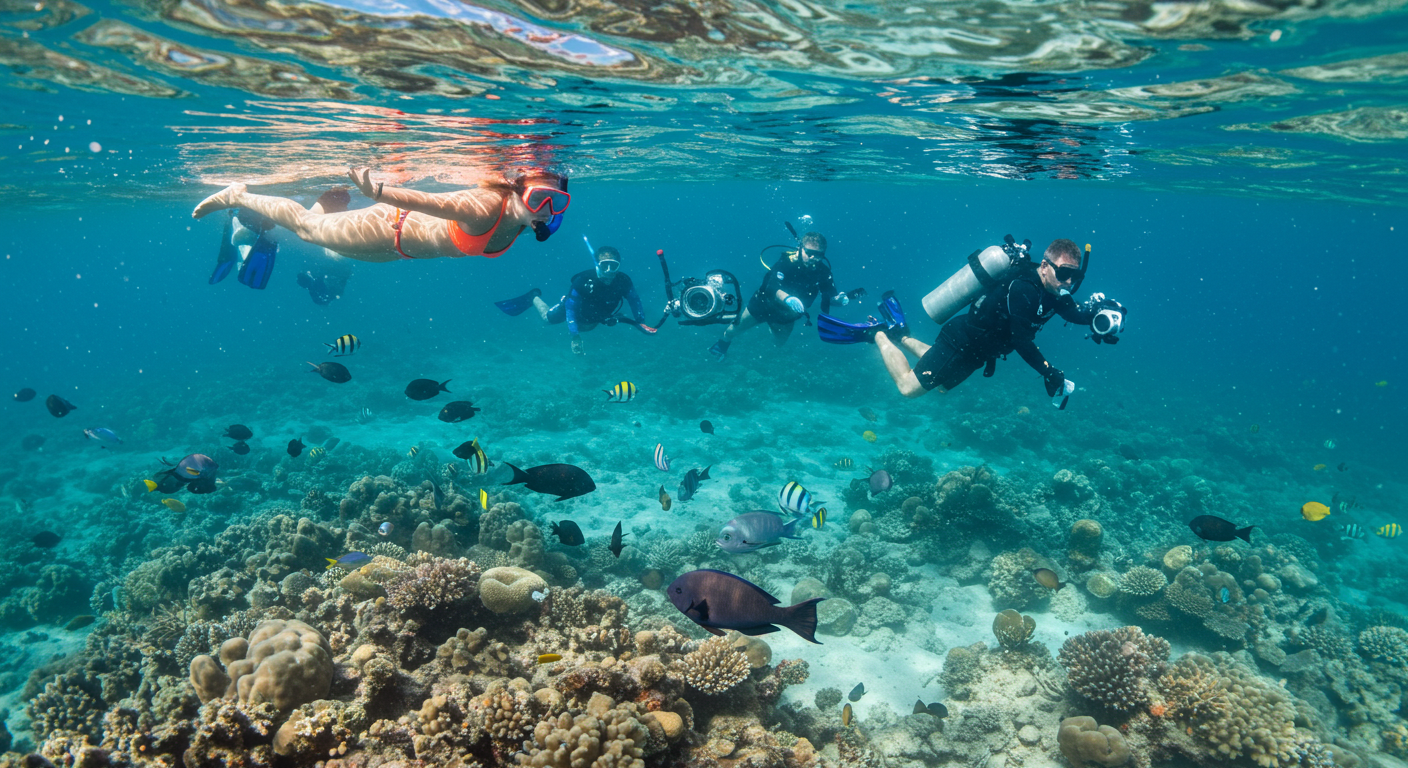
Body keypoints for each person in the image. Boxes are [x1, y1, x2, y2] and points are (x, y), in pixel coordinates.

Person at [819, 239, 1124, 399]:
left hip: (978, 351)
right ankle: (878, 334)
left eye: (1075, 276)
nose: (1068, 282)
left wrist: (1098, 314)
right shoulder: (1024, 289)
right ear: (1045, 266)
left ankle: (901, 333)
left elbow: (1072, 311)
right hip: (961, 341)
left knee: (938, 386)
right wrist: (1048, 371)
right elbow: (1021, 339)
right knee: (908, 388)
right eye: (1064, 273)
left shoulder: (1054, 291)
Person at [192, 168, 569, 262]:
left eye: (557, 202)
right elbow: (431, 203)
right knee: (308, 231)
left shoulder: (526, 222)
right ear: (516, 191)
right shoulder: (487, 205)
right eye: (539, 198)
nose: (547, 210)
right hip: (390, 227)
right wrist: (378, 192)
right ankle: (237, 195)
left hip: (397, 251)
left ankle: (328, 201)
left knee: (322, 231)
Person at [708, 231, 852, 360]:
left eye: (819, 255)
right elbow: (772, 287)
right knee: (733, 330)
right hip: (762, 305)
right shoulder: (786, 262)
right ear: (800, 248)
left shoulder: (823, 272)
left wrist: (839, 300)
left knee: (779, 344)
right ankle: (721, 346)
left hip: (787, 315)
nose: (814, 257)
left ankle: (771, 328)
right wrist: (787, 298)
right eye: (809, 252)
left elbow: (830, 296)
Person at [495, 246, 655, 355]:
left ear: (619, 266)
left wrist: (641, 322)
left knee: (596, 323)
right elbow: (571, 309)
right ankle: (533, 296)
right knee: (547, 320)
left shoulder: (623, 281)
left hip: (596, 316)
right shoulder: (583, 280)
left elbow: (634, 300)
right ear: (597, 265)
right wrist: (575, 336)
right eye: (604, 265)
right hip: (574, 310)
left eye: (613, 266)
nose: (608, 271)